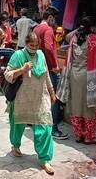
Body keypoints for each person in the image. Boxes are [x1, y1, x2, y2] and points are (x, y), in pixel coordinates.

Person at [58, 17, 96, 145]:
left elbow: (67, 36)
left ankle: (79, 135)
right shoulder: (94, 39)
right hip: (89, 76)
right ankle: (89, 137)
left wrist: (78, 29)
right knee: (89, 106)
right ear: (92, 27)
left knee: (77, 105)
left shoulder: (74, 38)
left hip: (74, 75)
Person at [4, 32, 56, 175]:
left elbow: (46, 75)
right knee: (18, 125)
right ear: (26, 43)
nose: (34, 48)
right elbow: (7, 75)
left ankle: (45, 159)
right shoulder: (18, 55)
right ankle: (15, 145)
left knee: (45, 128)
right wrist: (22, 70)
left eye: (36, 45)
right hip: (22, 99)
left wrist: (52, 93)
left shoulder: (41, 55)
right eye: (31, 45)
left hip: (40, 99)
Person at [34, 8, 68, 140]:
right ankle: (53, 128)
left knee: (43, 98)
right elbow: (48, 47)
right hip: (48, 69)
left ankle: (41, 124)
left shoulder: (37, 28)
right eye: (54, 18)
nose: (55, 21)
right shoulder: (47, 29)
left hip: (39, 68)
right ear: (50, 17)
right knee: (54, 99)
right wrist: (54, 66)